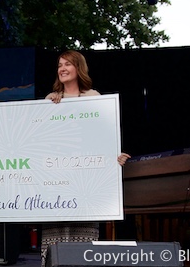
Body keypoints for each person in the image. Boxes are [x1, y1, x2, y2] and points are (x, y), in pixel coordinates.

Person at [39, 50, 129, 264]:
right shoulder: (51, 100)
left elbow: (102, 136)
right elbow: (42, 140)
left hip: (85, 180)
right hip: (57, 177)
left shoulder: (94, 97)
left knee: (83, 236)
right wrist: (47, 106)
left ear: (78, 68)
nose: (62, 68)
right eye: (60, 65)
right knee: (55, 235)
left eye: (67, 64)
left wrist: (114, 156)